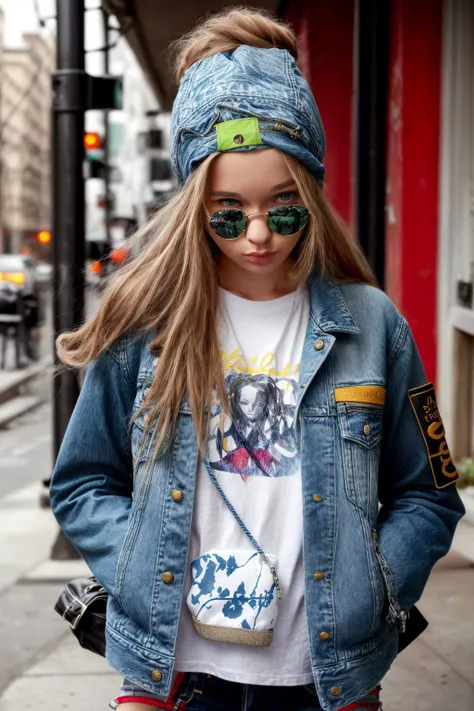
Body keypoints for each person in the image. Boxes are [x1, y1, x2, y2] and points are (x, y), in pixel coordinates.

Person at [49, 8, 464, 711]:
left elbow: (431, 490)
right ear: (194, 210)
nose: (259, 235)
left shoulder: (373, 325)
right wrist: (141, 564)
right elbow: (82, 481)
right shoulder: (147, 325)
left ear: (310, 195)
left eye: (284, 207)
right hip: (175, 676)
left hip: (328, 679)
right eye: (228, 213)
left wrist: (374, 584)